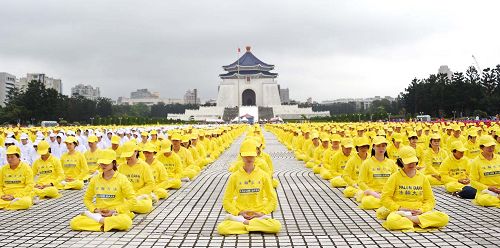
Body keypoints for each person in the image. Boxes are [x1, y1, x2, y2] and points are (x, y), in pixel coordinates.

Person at [217, 139, 281, 235]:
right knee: (222, 228)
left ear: (256, 155)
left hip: (258, 214)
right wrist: (238, 212)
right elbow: (226, 201)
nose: (249, 158)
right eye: (246, 155)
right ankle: (254, 226)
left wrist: (262, 213)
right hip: (241, 214)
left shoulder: (263, 175)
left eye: (251, 155)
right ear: (241, 155)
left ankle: (245, 224)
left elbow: (272, 199)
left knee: (276, 226)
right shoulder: (234, 176)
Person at [380, 146, 449, 231]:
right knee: (392, 221)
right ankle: (419, 222)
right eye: (408, 162)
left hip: (419, 212)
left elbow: (430, 200)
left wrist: (421, 210)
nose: (411, 164)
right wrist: (399, 208)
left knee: (444, 218)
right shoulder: (394, 177)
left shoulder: (423, 178)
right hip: (400, 213)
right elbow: (385, 198)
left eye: (413, 161)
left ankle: (411, 221)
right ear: (401, 161)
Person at [70, 149, 136, 232]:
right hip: (99, 214)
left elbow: (132, 200)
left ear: (114, 163)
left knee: (126, 222)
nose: (103, 165)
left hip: (115, 214)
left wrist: (114, 210)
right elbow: (87, 199)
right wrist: (95, 210)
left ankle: (100, 222)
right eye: (101, 163)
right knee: (74, 223)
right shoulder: (95, 179)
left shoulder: (122, 179)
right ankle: (106, 224)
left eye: (106, 163)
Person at [357, 136, 397, 213]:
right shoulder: (367, 163)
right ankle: (388, 205)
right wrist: (373, 193)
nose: (381, 148)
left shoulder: (391, 163)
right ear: (373, 147)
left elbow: (396, 181)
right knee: (367, 202)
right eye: (378, 146)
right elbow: (361, 182)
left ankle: (387, 204)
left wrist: (387, 193)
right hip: (373, 194)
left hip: (387, 193)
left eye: (383, 146)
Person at [117, 141, 155, 214]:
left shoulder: (144, 166)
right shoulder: (121, 167)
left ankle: (122, 209)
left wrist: (136, 194)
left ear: (136, 152)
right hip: (125, 197)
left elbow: (150, 184)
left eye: (130, 155)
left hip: (140, 197)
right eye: (126, 155)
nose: (128, 157)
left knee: (146, 206)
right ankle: (124, 208)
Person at [469, 135, 500, 207]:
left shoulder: (499, 158)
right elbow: (473, 182)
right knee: (484, 200)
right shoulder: (476, 162)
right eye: (488, 146)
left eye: (493, 146)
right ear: (481, 147)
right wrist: (488, 188)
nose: (491, 148)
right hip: (485, 192)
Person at [0, 145, 34, 210]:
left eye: (12, 157)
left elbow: (30, 186)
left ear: (18, 157)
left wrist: (14, 196)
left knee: (26, 203)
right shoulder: (3, 169)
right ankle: (12, 205)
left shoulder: (26, 168)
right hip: (5, 196)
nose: (9, 159)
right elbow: (0, 185)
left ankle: (4, 206)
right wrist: (2, 195)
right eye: (8, 157)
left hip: (20, 196)